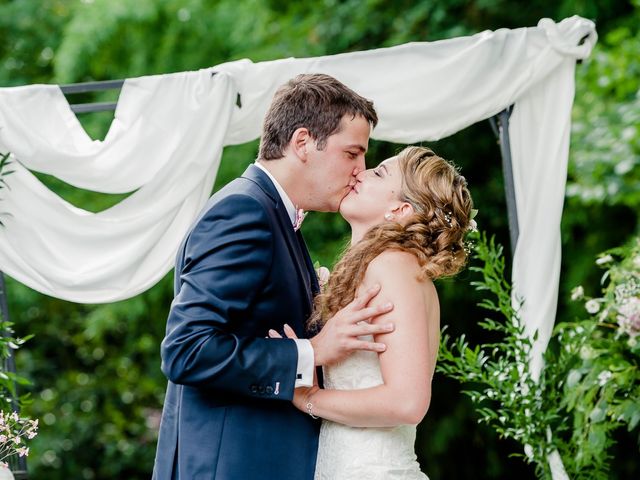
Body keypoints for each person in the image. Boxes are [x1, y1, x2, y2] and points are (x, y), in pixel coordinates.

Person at [152, 73, 398, 480]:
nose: (360, 170)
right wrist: (313, 351)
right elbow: (186, 350)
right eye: (352, 153)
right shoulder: (244, 213)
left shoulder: (275, 217)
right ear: (302, 143)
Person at [272, 146, 474, 479]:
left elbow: (407, 402)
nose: (360, 173)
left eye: (378, 172)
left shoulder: (394, 267)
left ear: (400, 208)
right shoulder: (381, 268)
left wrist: (310, 398)